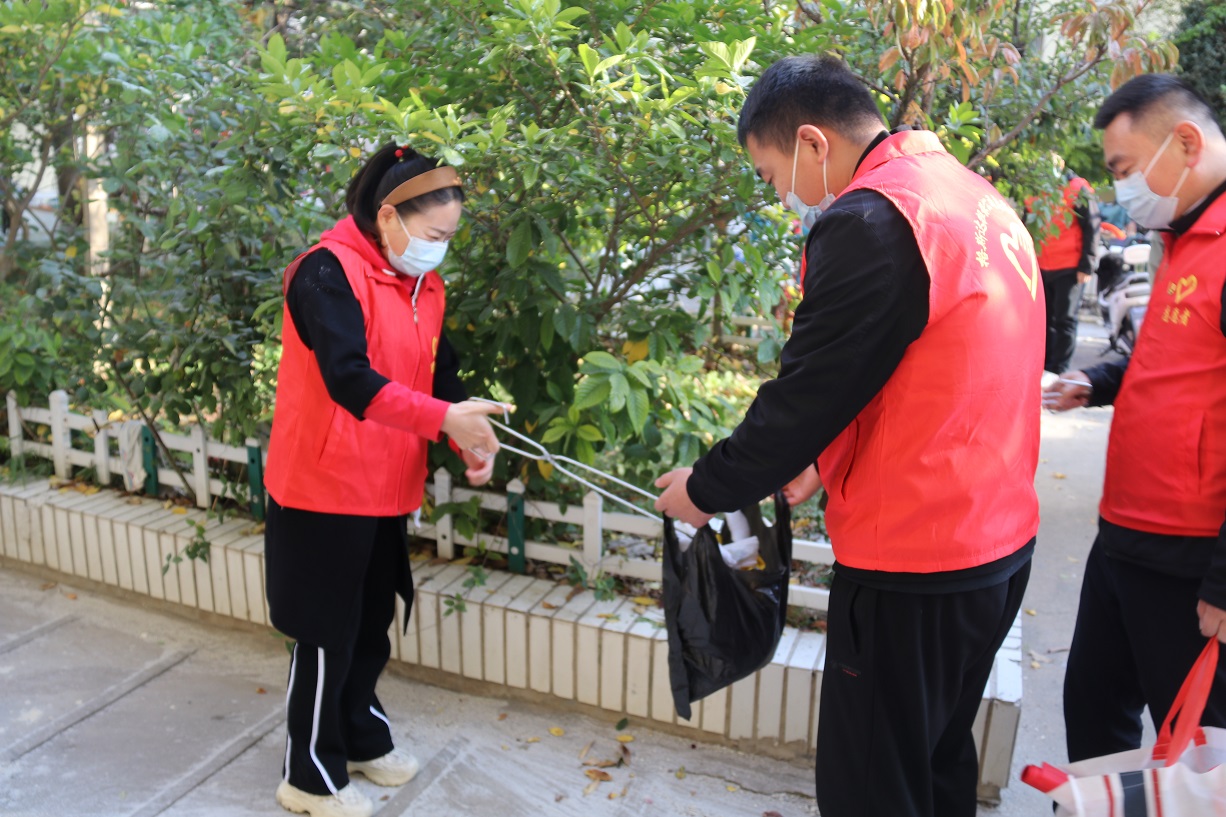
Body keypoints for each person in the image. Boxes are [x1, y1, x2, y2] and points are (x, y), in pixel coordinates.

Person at [654, 55, 1044, 817]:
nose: (782, 195)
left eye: (772, 175)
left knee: (871, 785)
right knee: (934, 757)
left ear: (812, 142)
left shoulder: (874, 220)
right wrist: (824, 462)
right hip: (993, 541)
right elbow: (925, 368)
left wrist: (705, 489)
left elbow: (805, 395)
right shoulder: (969, 197)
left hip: (914, 558)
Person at [262, 143, 508, 817]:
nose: (439, 250)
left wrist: (465, 435)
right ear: (390, 216)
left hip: (386, 485)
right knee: (325, 633)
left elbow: (437, 373)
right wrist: (443, 418)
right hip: (322, 487)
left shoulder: (421, 285)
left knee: (371, 624)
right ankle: (309, 775)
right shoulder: (325, 272)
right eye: (434, 235)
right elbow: (348, 378)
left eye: (449, 238)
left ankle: (360, 736)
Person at [1043, 73, 1226, 765]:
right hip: (1123, 533)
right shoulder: (1183, 235)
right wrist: (1096, 381)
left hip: (1190, 556)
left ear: (1185, 143)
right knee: (1094, 718)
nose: (1121, 188)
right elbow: (1168, 356)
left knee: (1196, 754)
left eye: (1124, 169)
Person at [1031, 156, 1101, 373]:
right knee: (1044, 319)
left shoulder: (1077, 189)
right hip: (1042, 265)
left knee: (1064, 320)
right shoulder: (1033, 190)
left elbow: (1092, 227)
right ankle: (1044, 365)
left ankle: (1058, 369)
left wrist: (1086, 265)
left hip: (1069, 266)